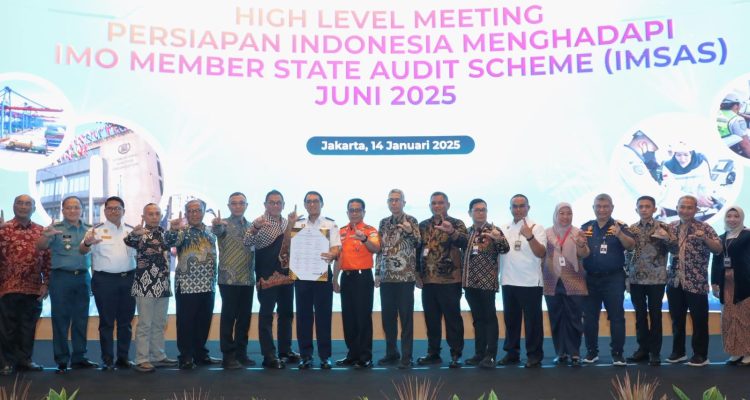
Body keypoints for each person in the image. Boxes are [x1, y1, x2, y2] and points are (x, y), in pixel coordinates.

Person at [36, 196, 98, 374]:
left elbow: (93, 255)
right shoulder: (56, 229)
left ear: (82, 210)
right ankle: (62, 360)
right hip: (61, 278)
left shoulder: (89, 230)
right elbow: (40, 247)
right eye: (69, 207)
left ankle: (79, 358)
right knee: (60, 320)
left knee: (81, 320)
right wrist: (45, 235)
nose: (73, 210)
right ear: (62, 210)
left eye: (76, 207)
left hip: (82, 278)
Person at [79, 196, 137, 371]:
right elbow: (82, 250)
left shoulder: (132, 231)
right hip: (105, 281)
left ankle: (123, 358)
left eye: (117, 208)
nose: (114, 211)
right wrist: (87, 243)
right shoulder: (95, 231)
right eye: (110, 208)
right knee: (106, 322)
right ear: (105, 211)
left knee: (126, 322)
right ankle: (107, 359)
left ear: (123, 211)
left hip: (128, 279)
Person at [665, 195, 722, 367]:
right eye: (682, 207)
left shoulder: (705, 227)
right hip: (674, 281)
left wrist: (705, 238)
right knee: (677, 319)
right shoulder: (670, 227)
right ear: (677, 208)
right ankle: (678, 352)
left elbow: (718, 249)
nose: (685, 210)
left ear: (696, 209)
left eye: (689, 207)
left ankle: (700, 355)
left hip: (696, 281)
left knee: (699, 320)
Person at [244, 190, 299, 369]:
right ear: (265, 204)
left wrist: (293, 225)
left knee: (286, 314)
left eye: (278, 202)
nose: (275, 205)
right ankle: (269, 355)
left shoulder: (288, 223)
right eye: (272, 202)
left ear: (283, 205)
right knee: (267, 315)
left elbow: (294, 247)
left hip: (287, 276)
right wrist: (255, 227)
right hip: (267, 277)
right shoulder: (259, 222)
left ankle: (285, 351)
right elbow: (247, 242)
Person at [164, 199, 220, 370]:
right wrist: (173, 229)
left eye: (198, 210)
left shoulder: (210, 232)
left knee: (204, 322)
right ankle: (186, 356)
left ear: (203, 212)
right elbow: (170, 242)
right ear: (186, 214)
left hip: (208, 284)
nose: (194, 214)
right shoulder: (182, 232)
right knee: (186, 323)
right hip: (187, 285)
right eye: (191, 211)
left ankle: (200, 354)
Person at [580, 193, 635, 366]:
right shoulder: (586, 227)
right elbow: (581, 253)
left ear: (612, 208)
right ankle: (591, 352)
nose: (602, 210)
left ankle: (617, 354)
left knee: (616, 317)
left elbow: (631, 245)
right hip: (590, 279)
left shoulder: (620, 226)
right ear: (593, 208)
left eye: (605, 206)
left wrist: (620, 235)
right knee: (589, 318)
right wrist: (579, 245)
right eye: (598, 206)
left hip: (613, 279)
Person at [416, 192, 468, 368]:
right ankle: (433, 353)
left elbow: (464, 243)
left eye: (440, 203)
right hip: (428, 280)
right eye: (434, 203)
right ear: (430, 206)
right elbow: (418, 250)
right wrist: (417, 273)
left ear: (448, 205)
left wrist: (451, 231)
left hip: (450, 280)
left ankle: (456, 354)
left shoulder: (457, 223)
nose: (437, 206)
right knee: (431, 320)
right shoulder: (423, 225)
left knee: (453, 319)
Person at [0, 195, 51, 374]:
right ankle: (6, 363)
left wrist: (46, 283)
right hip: (7, 287)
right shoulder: (3, 229)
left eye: (28, 204)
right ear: (13, 206)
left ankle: (24, 360)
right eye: (19, 203)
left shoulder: (41, 231)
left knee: (28, 327)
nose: (23, 206)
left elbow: (48, 259)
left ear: (34, 208)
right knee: (7, 328)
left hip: (33, 287)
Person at [124, 203, 177, 373]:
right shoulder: (139, 233)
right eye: (150, 214)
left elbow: (174, 242)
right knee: (145, 324)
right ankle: (141, 359)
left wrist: (175, 229)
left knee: (160, 323)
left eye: (157, 213)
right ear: (144, 216)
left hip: (163, 284)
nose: (154, 216)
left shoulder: (165, 233)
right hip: (144, 285)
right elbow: (128, 241)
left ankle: (158, 355)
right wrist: (134, 233)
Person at [292, 191, 340, 370]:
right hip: (302, 276)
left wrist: (332, 254)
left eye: (315, 201)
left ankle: (325, 357)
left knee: (323, 317)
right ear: (305, 205)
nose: (312, 204)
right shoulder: (297, 224)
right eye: (309, 201)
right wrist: (290, 224)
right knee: (303, 316)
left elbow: (336, 248)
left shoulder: (330, 224)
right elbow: (289, 246)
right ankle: (305, 356)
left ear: (322, 203)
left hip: (322, 275)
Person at [498, 194, 547, 368]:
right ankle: (512, 353)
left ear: (528, 207)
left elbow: (541, 253)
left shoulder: (537, 227)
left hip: (530, 282)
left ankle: (534, 355)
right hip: (508, 281)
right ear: (510, 208)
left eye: (522, 206)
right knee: (511, 321)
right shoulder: (503, 228)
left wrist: (530, 236)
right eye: (515, 206)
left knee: (533, 323)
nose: (518, 209)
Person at [625, 195, 674, 366]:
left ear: (654, 209)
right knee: (640, 316)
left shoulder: (663, 227)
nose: (644, 209)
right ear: (636, 209)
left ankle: (655, 352)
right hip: (636, 278)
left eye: (647, 206)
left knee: (655, 315)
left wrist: (667, 238)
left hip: (656, 279)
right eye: (641, 206)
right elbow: (627, 254)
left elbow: (675, 249)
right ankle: (642, 350)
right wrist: (626, 277)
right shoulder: (631, 229)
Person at [333, 198, 381, 369]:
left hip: (362, 278)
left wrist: (364, 239)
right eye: (351, 210)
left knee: (363, 317)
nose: (354, 213)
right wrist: (335, 278)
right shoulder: (341, 231)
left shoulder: (370, 230)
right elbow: (338, 257)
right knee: (349, 318)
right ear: (347, 213)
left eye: (357, 210)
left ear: (363, 212)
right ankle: (352, 354)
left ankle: (365, 356)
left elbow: (376, 248)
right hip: (346, 278)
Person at [375, 189, 420, 369]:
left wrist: (409, 231)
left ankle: (407, 356)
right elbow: (379, 249)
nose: (394, 203)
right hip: (386, 278)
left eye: (397, 200)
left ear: (404, 202)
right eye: (391, 200)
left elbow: (418, 242)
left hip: (405, 278)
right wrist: (377, 273)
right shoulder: (383, 222)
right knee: (388, 319)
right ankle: (392, 353)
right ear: (388, 203)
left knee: (406, 319)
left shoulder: (412, 220)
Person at [462, 199, 509, 368]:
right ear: (470, 213)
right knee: (477, 320)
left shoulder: (494, 230)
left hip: (487, 283)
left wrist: (498, 239)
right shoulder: (466, 232)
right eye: (477, 210)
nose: (481, 213)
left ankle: (491, 355)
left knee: (489, 318)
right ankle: (479, 353)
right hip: (469, 282)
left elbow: (505, 249)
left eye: (483, 210)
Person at [212, 192, 256, 369]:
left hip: (247, 279)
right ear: (229, 206)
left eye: (241, 203)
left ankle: (241, 353)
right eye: (234, 203)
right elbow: (217, 231)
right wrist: (216, 225)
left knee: (244, 318)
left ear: (246, 205)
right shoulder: (223, 224)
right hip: (228, 279)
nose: (238, 206)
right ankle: (228, 356)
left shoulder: (252, 226)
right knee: (229, 318)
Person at [542, 202, 589, 367]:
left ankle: (574, 353)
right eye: (561, 213)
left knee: (574, 318)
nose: (565, 217)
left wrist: (581, 244)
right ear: (555, 215)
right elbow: (541, 255)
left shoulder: (578, 232)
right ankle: (560, 352)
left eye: (569, 213)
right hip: (552, 280)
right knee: (556, 318)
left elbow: (584, 254)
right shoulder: (546, 233)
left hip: (574, 280)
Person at [711, 206, 750, 366]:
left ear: (741, 218)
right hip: (726, 283)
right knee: (728, 318)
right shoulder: (720, 238)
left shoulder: (747, 235)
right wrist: (714, 282)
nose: (732, 219)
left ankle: (748, 352)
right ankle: (735, 352)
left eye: (736, 216)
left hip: (744, 282)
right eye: (729, 216)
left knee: (744, 317)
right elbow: (716, 261)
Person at [659, 142, 716, 219]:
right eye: (678, 155)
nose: (682, 159)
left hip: (697, 206)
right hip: (674, 206)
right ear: (674, 154)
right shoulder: (667, 166)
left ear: (691, 153)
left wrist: (706, 196)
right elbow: (672, 191)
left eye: (686, 155)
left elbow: (706, 184)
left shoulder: (702, 162)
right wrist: (695, 200)